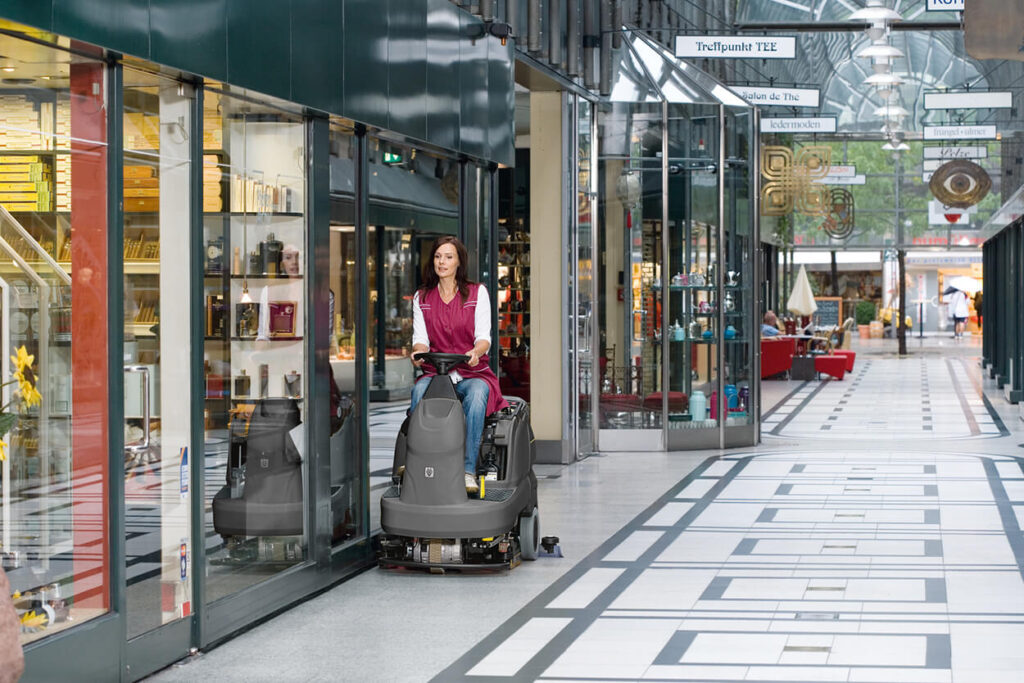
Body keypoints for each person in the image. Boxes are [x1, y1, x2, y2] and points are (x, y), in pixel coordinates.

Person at [409, 236, 508, 493]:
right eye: (438, 256)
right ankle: (417, 462)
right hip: (437, 373)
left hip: (471, 372)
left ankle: (467, 470)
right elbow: (420, 340)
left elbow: (484, 338)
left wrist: (476, 352)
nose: (442, 262)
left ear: (459, 262)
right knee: (419, 392)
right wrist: (417, 353)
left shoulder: (478, 293)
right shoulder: (422, 297)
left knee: (477, 395)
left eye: (449, 257)